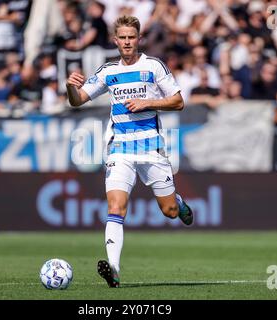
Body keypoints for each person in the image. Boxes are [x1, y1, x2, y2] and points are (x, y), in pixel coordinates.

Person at [66, 15, 193, 288]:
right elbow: (78, 101)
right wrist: (69, 88)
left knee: (169, 211)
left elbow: (179, 101)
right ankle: (114, 269)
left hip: (151, 148)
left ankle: (179, 203)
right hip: (119, 149)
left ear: (138, 39)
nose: (126, 42)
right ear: (115, 41)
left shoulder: (153, 66)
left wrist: (148, 102)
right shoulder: (108, 71)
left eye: (131, 37)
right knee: (115, 207)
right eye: (122, 38)